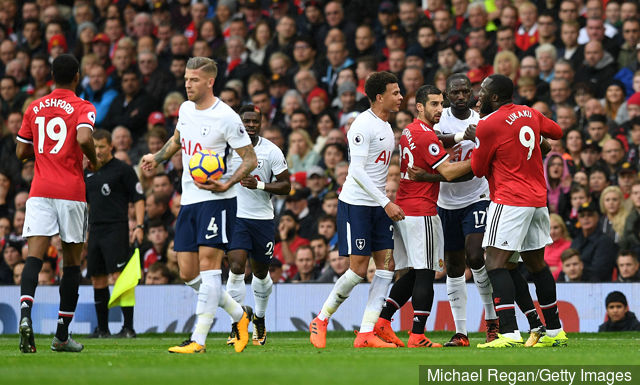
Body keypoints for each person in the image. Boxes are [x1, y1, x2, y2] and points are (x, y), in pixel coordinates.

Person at [141, 57, 257, 354]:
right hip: (190, 199)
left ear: (209, 82)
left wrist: (227, 183)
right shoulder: (184, 109)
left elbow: (250, 159)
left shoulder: (227, 117)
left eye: (193, 80)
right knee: (188, 273)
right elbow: (177, 140)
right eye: (185, 79)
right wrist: (157, 157)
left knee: (208, 269)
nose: (187, 84)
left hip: (217, 200)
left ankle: (199, 340)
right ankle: (240, 315)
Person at [469, 74, 567, 348]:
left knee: (494, 263)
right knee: (537, 265)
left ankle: (509, 333)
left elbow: (477, 169)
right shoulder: (530, 112)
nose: (479, 97)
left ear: (496, 97)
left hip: (510, 200)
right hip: (537, 199)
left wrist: (479, 139)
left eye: (483, 92)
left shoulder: (488, 124)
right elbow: (557, 133)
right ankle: (555, 331)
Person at [309, 71, 405, 349]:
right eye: (395, 93)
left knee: (387, 267)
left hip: (376, 206)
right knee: (358, 270)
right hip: (357, 205)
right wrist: (386, 200)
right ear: (379, 97)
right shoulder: (362, 125)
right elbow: (357, 171)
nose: (400, 97)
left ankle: (366, 333)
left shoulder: (386, 126)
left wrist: (383, 202)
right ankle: (322, 319)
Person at [373, 85, 473, 349]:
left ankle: (383, 321)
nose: (440, 109)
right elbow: (450, 172)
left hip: (404, 210)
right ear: (419, 107)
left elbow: (438, 140)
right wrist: (480, 161)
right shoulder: (426, 136)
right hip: (423, 212)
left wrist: (460, 136)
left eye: (441, 104)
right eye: (434, 104)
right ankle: (417, 334)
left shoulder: (410, 131)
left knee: (413, 273)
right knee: (426, 272)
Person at [17, 54, 99, 353]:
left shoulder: (34, 107)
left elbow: (20, 150)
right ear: (77, 76)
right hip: (71, 192)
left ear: (52, 75)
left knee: (34, 259)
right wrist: (95, 157)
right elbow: (83, 136)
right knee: (72, 263)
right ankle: (61, 335)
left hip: (40, 191)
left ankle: (25, 315)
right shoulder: (83, 107)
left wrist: (41, 153)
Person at [430, 74, 500, 347]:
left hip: (477, 196)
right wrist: (462, 136)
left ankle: (492, 321)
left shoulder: (481, 120)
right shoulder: (441, 117)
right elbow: (434, 140)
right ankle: (461, 333)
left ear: (471, 93)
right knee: (454, 265)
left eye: (465, 91)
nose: (461, 96)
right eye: (455, 92)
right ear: (447, 95)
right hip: (446, 202)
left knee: (475, 256)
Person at [225, 104, 291, 346]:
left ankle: (259, 319)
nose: (251, 125)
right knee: (236, 266)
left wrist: (260, 185)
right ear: (239, 122)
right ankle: (237, 323)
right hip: (236, 218)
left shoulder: (271, 151)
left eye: (255, 121)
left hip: (262, 220)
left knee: (261, 273)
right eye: (247, 121)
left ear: (261, 123)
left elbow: (286, 186)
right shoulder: (228, 148)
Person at [85, 129, 145, 339]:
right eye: (95, 147)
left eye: (102, 146)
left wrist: (139, 226)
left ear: (111, 146)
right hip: (95, 230)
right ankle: (103, 329)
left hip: (116, 228)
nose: (98, 150)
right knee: (98, 279)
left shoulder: (123, 169)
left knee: (120, 278)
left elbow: (138, 197)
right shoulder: (87, 172)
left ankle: (128, 327)